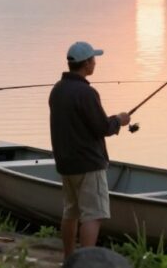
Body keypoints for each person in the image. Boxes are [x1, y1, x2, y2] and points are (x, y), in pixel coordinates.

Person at [49, 41, 131, 257]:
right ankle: (85, 262)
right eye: (93, 59)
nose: (95, 63)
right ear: (86, 64)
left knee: (71, 213)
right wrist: (119, 120)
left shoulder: (58, 90)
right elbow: (101, 127)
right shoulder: (86, 93)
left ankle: (69, 259)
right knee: (92, 215)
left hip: (66, 162)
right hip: (88, 164)